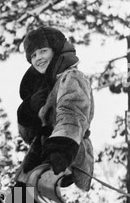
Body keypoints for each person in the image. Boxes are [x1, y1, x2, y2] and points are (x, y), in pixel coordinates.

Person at [15, 26, 94, 192]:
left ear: (56, 50)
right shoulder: (44, 87)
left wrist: (59, 149)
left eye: (43, 51)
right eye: (33, 55)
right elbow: (30, 136)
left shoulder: (71, 77)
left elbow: (72, 115)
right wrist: (28, 110)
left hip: (66, 154)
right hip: (41, 155)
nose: (38, 58)